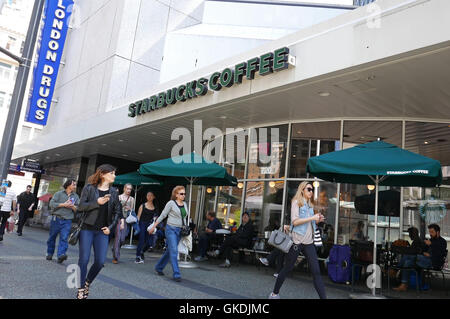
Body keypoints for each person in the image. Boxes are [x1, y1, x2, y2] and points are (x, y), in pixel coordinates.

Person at [269, 181, 326, 299]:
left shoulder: (310, 205)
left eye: (312, 190)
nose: (311, 192)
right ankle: (274, 293)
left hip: (309, 242)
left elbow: (308, 223)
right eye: (309, 189)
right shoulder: (296, 202)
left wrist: (317, 220)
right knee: (287, 268)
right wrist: (312, 217)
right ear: (302, 190)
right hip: (297, 241)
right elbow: (295, 221)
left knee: (316, 272)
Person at [76, 164, 125, 299]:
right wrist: (97, 202)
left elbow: (117, 212)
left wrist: (110, 227)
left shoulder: (114, 192)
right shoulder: (89, 188)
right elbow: (81, 206)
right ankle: (80, 289)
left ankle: (87, 283)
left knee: (100, 262)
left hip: (102, 232)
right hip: (87, 229)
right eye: (112, 173)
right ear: (103, 174)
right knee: (84, 260)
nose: (114, 176)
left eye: (114, 173)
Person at [148, 186, 189, 282]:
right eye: (181, 194)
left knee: (170, 251)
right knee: (174, 251)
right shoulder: (171, 203)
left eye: (184, 193)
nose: (183, 195)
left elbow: (184, 217)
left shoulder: (185, 204)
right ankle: (177, 274)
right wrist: (154, 226)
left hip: (180, 230)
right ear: (176, 194)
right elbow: (163, 215)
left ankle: (159, 267)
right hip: (171, 229)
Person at [393, 224, 447, 292]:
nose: (430, 234)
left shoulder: (442, 242)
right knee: (407, 262)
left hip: (434, 262)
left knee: (409, 255)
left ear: (438, 232)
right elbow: (423, 251)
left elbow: (440, 254)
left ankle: (396, 268)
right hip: (424, 260)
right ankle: (403, 285)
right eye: (430, 232)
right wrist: (424, 249)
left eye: (432, 232)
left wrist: (431, 249)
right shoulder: (431, 240)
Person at [46, 180, 79, 263]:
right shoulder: (59, 194)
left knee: (64, 238)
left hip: (67, 220)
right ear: (68, 185)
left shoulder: (76, 196)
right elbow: (51, 204)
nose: (75, 186)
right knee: (52, 237)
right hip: (56, 218)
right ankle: (49, 253)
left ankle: (61, 255)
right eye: (73, 184)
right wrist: (63, 204)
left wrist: (72, 207)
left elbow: (78, 209)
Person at [112, 183, 135, 264]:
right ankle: (116, 256)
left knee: (123, 238)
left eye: (130, 189)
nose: (129, 190)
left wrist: (130, 209)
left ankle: (115, 248)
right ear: (124, 189)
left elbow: (132, 210)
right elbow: (114, 208)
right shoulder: (119, 197)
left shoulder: (132, 199)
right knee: (118, 237)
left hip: (126, 219)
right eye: (127, 189)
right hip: (118, 219)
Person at [135, 191, 159, 264]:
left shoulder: (155, 207)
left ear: (154, 197)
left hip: (150, 226)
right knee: (141, 240)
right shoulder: (143, 205)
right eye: (148, 195)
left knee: (149, 243)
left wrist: (155, 220)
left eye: (151, 195)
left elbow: (156, 218)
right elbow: (138, 216)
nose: (149, 197)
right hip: (142, 224)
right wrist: (136, 226)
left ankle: (142, 251)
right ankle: (138, 256)